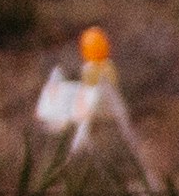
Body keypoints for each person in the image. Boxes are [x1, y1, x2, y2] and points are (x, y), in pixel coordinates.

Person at [31, 24, 153, 184]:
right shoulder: (106, 68)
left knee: (85, 142)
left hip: (97, 108)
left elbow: (90, 94)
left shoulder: (96, 69)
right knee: (117, 143)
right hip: (104, 108)